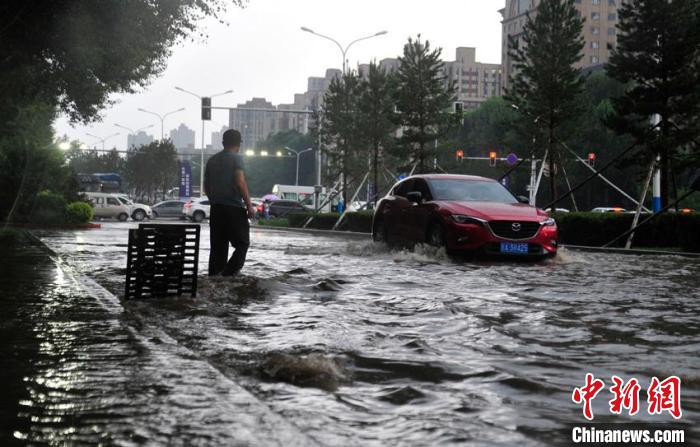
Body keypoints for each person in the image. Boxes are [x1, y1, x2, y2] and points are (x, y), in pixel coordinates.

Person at [204, 129, 256, 276]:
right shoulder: (236, 159)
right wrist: (249, 206)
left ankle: (215, 279)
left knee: (218, 248)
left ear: (223, 142)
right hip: (233, 208)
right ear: (238, 144)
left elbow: (206, 186)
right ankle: (228, 275)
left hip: (216, 209)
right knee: (242, 243)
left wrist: (214, 201)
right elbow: (240, 182)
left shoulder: (211, 160)